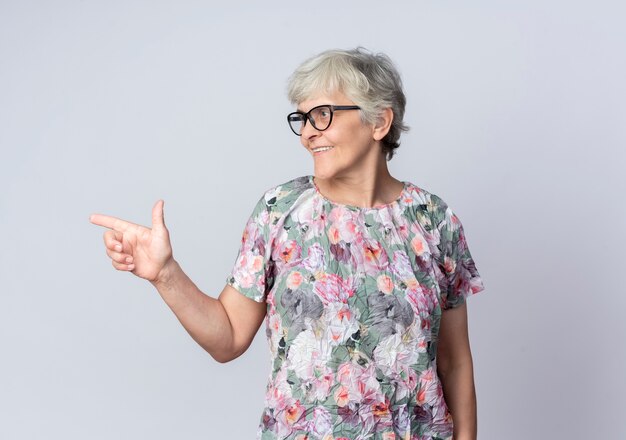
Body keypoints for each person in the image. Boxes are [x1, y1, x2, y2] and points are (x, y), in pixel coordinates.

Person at [90, 48, 484, 440]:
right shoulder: (280, 212)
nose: (309, 132)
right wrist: (165, 274)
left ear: (379, 121)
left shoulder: (433, 219)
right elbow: (227, 338)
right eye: (303, 118)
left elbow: (453, 362)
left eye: (323, 115)